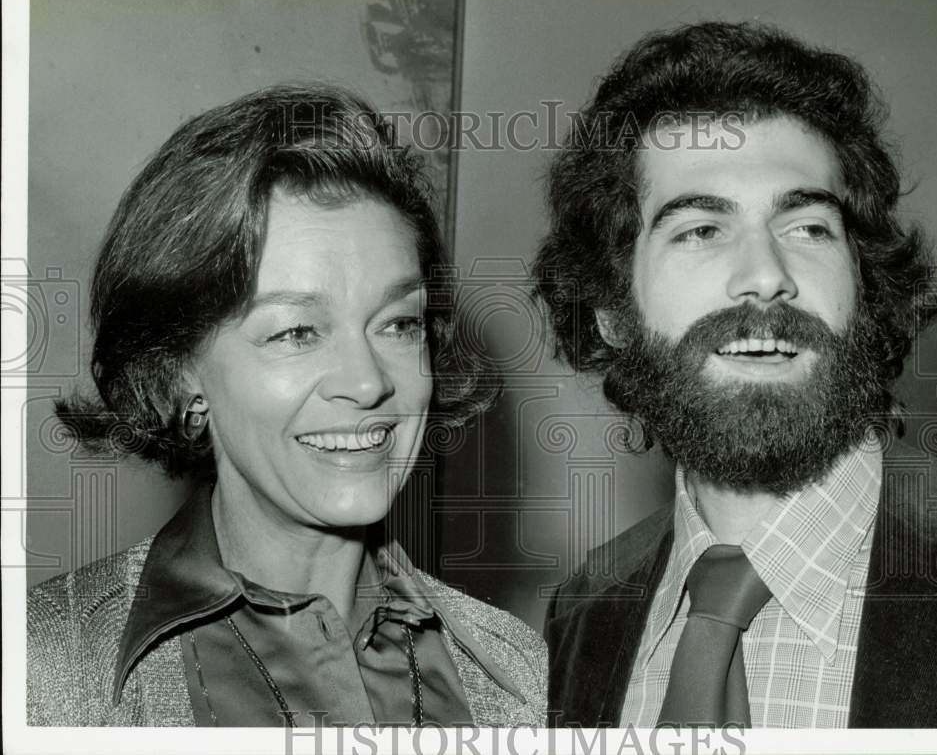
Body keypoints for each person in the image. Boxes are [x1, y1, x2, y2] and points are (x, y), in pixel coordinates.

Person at [27, 84, 547, 727]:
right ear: (178, 374)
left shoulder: (517, 671)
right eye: (296, 332)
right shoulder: (44, 673)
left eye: (398, 324)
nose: (367, 384)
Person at [534, 22, 937, 729]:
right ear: (611, 308)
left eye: (807, 228)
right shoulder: (580, 614)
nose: (767, 277)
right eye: (701, 230)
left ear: (864, 282)